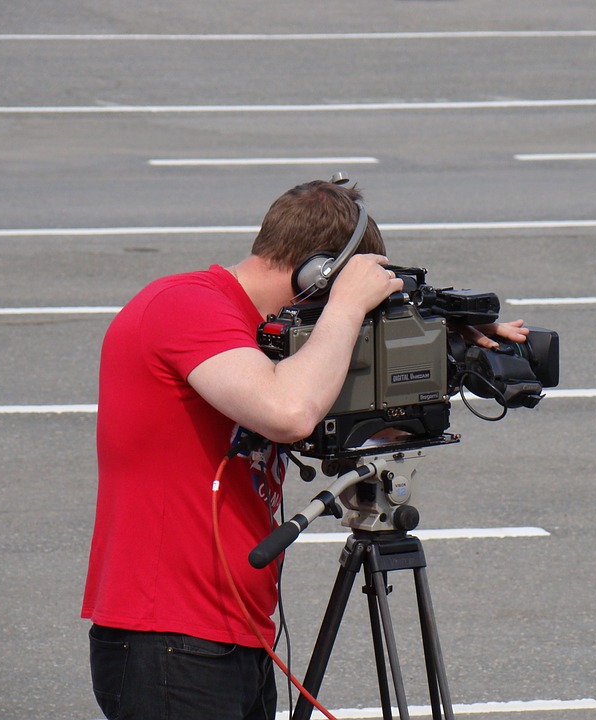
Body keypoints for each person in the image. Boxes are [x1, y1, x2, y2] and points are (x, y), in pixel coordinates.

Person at [81, 179, 527, 720]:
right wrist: (344, 308)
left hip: (235, 633)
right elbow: (289, 412)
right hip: (170, 637)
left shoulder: (275, 335)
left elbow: (359, 420)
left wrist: (444, 352)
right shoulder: (187, 305)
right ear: (316, 274)